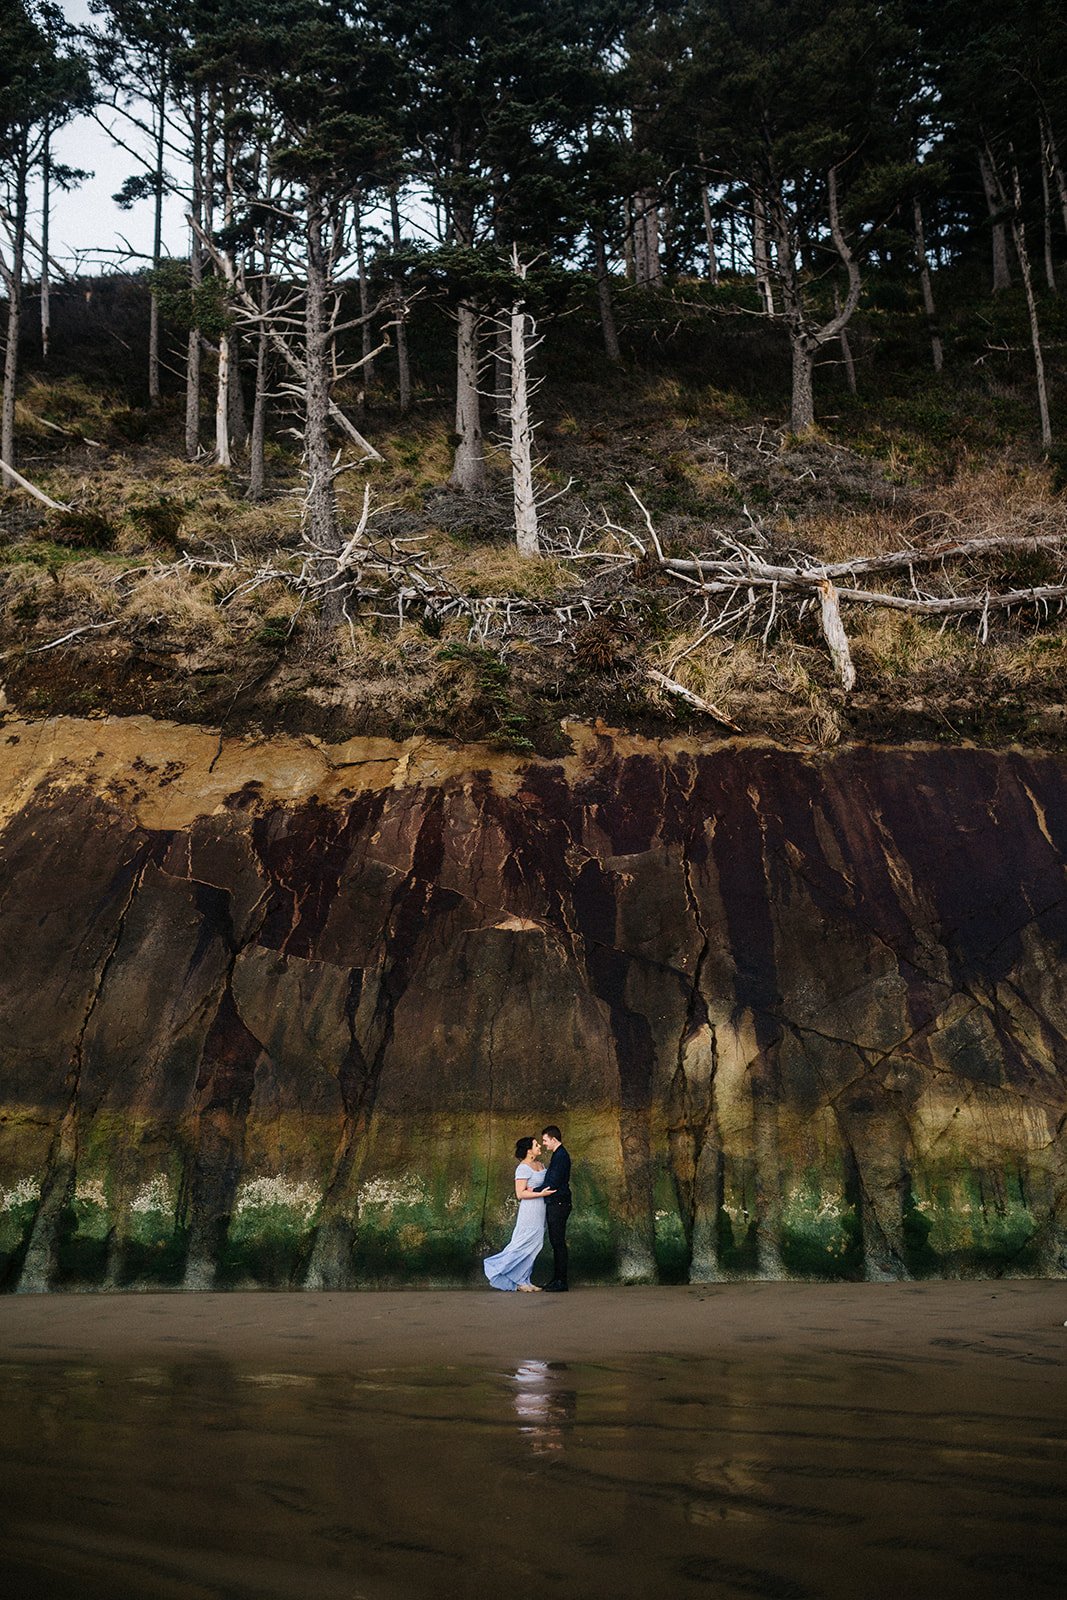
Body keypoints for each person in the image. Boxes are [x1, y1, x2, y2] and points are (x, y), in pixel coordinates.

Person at [483, 1136, 556, 1292]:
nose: (539, 1147)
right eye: (536, 1145)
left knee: (535, 1244)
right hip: (529, 1210)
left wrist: (539, 1192)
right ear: (529, 1150)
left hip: (540, 1210)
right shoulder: (522, 1168)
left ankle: (525, 1280)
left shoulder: (540, 1164)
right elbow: (520, 1194)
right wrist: (539, 1193)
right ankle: (498, 1268)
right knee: (521, 1243)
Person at [539, 1125, 571, 1291]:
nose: (544, 1144)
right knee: (556, 1242)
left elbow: (553, 1181)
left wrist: (533, 1191)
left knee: (558, 1242)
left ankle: (561, 1281)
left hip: (559, 1203)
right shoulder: (559, 1155)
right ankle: (557, 1278)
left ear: (553, 1139)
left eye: (545, 1140)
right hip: (558, 1203)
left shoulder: (560, 1156)